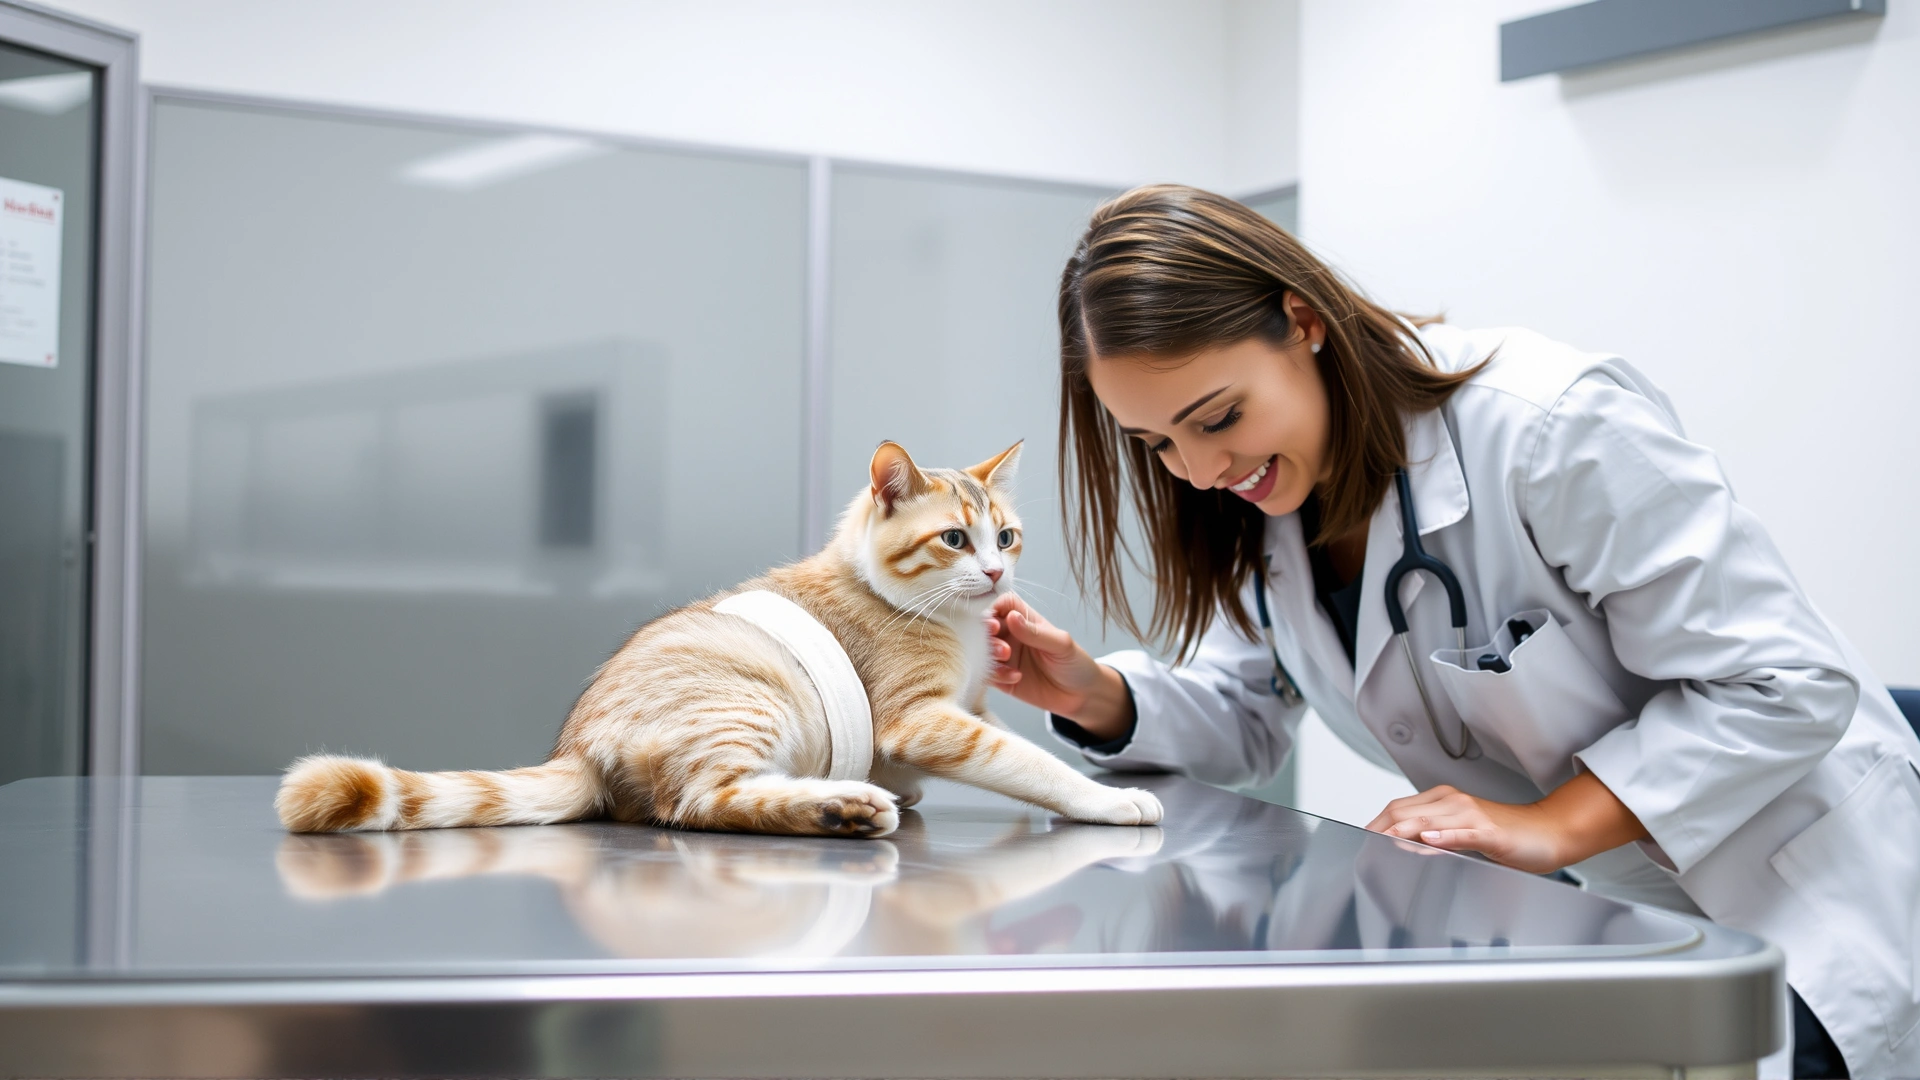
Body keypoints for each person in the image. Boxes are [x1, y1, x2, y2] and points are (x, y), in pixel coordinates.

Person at [985, 184, 1920, 1079]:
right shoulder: (1271, 497)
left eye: (1216, 418)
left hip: (1803, 908)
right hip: (1624, 920)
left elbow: (1786, 682)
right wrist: (1097, 698)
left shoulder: (1547, 426)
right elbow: (1247, 707)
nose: (1195, 469)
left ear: (1302, 319)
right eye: (1155, 444)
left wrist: (1547, 826)